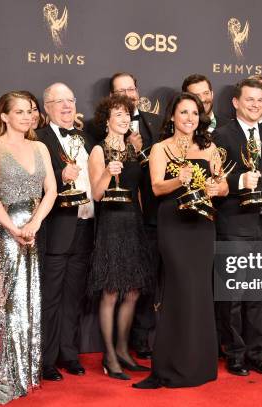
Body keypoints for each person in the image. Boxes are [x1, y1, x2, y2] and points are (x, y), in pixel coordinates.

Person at [133, 92, 228, 389]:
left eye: (195, 113)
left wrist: (215, 189)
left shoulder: (209, 147)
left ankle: (199, 365)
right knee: (177, 290)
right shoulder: (160, 148)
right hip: (173, 224)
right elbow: (157, 187)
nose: (190, 118)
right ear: (172, 116)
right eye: (184, 112)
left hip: (201, 225)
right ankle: (170, 365)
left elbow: (223, 185)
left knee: (199, 291)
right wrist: (180, 179)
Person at [0, 92, 57, 402]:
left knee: (30, 298)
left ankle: (23, 372)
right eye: (20, 111)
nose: (27, 116)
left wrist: (34, 224)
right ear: (5, 116)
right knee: (8, 298)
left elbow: (51, 191)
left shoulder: (39, 147)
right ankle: (1, 371)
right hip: (6, 231)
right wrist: (14, 229)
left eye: (31, 111)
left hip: (34, 230)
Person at [213, 78, 262, 376]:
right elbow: (212, 182)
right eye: (249, 99)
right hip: (233, 225)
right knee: (232, 296)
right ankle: (234, 353)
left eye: (260, 99)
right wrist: (237, 182)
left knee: (260, 295)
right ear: (235, 102)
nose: (256, 104)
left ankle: (256, 353)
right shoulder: (221, 136)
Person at [87, 94, 152, 380]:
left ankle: (124, 351)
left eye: (127, 114)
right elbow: (97, 194)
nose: (124, 119)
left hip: (133, 222)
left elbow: (137, 190)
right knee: (112, 291)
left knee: (134, 290)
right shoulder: (98, 151)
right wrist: (106, 173)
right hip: (111, 224)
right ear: (107, 121)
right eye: (118, 115)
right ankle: (109, 356)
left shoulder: (132, 150)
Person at [37, 83, 94, 381]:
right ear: (46, 108)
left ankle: (69, 354)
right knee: (51, 297)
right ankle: (46, 360)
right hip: (58, 228)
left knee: (74, 296)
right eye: (59, 101)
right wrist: (60, 177)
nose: (67, 106)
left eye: (70, 100)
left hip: (86, 226)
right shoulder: (40, 139)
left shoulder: (86, 137)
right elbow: (32, 184)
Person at [109, 72, 161, 360]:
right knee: (119, 286)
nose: (128, 94)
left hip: (153, 216)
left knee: (145, 282)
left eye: (131, 88)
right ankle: (116, 347)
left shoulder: (156, 123)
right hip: (120, 216)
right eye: (121, 91)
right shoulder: (101, 128)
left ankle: (142, 341)